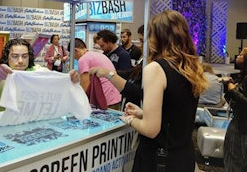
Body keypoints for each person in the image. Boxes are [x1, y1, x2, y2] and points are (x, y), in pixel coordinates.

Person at [121, 10, 208, 172]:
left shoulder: (156, 69)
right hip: (183, 156)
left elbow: (151, 130)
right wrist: (142, 113)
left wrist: (129, 120)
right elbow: (175, 113)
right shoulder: (191, 68)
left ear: (158, 37)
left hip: (159, 159)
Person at [0, 38, 79, 112]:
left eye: (24, 56)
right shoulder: (2, 73)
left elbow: (54, 79)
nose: (20, 61)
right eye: (15, 56)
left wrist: (69, 79)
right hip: (5, 126)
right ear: (7, 57)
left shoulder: (37, 71)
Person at [69, 38, 122, 110]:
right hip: (116, 96)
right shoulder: (97, 55)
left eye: (74, 57)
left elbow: (85, 87)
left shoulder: (83, 59)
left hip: (105, 98)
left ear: (75, 50)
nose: (76, 59)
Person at [223, 47, 247, 172]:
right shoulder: (242, 78)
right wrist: (228, 90)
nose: (237, 56)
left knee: (235, 163)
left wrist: (233, 90)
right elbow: (235, 104)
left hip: (242, 130)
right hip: (238, 125)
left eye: (241, 55)